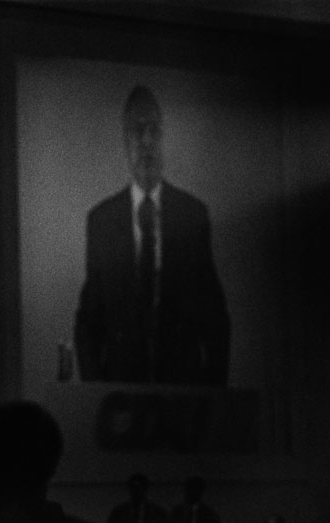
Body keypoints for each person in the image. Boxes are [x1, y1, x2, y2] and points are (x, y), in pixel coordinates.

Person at [74, 85, 230, 384]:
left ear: (164, 139)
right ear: (124, 140)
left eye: (154, 131)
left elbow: (215, 315)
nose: (146, 141)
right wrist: (97, 395)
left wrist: (213, 399)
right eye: (137, 131)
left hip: (184, 398)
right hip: (120, 399)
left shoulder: (193, 215)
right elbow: (89, 321)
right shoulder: (102, 221)